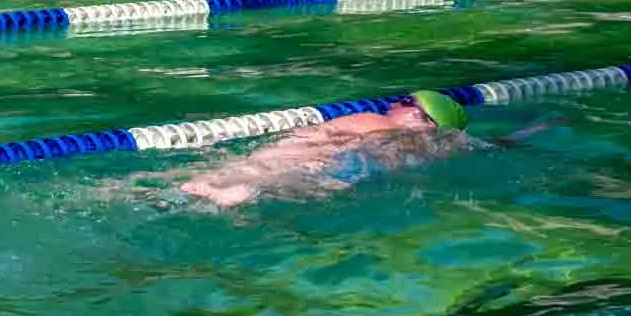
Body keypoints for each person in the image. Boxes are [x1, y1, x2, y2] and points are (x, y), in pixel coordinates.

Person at [178, 91, 472, 209]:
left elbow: (318, 135)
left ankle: (236, 188)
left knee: (256, 168)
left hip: (305, 156)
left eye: (406, 101)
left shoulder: (374, 120)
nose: (394, 104)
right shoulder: (425, 148)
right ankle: (247, 191)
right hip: (348, 170)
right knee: (318, 183)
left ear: (422, 119)